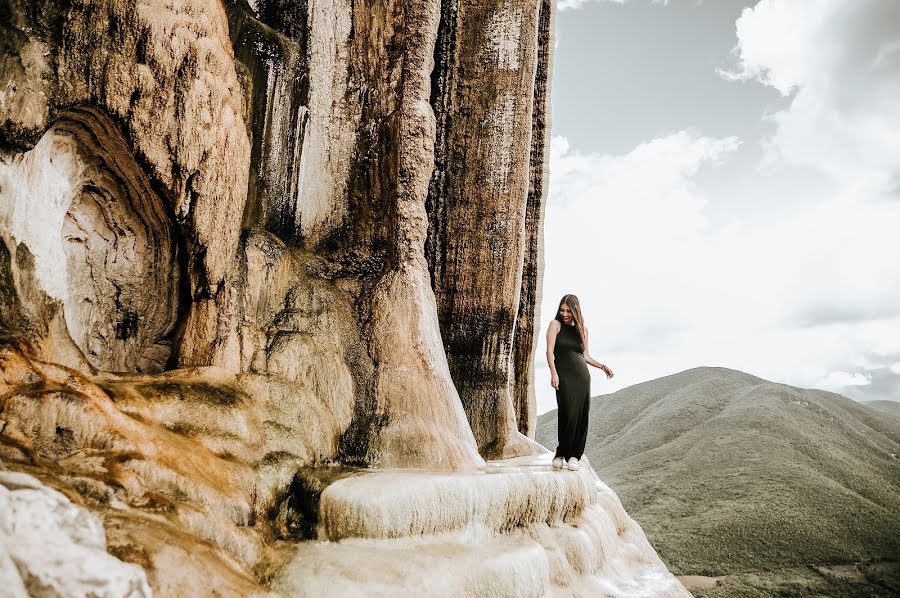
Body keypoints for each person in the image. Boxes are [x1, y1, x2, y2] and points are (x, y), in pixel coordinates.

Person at [546, 294, 613, 471]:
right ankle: (560, 453)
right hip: (564, 376)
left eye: (569, 310)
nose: (565, 313)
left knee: (581, 414)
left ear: (576, 310)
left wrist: (602, 366)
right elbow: (549, 352)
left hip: (582, 377)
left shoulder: (583, 330)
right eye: (562, 310)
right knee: (567, 412)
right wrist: (554, 374)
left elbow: (586, 356)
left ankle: (575, 455)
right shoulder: (555, 325)